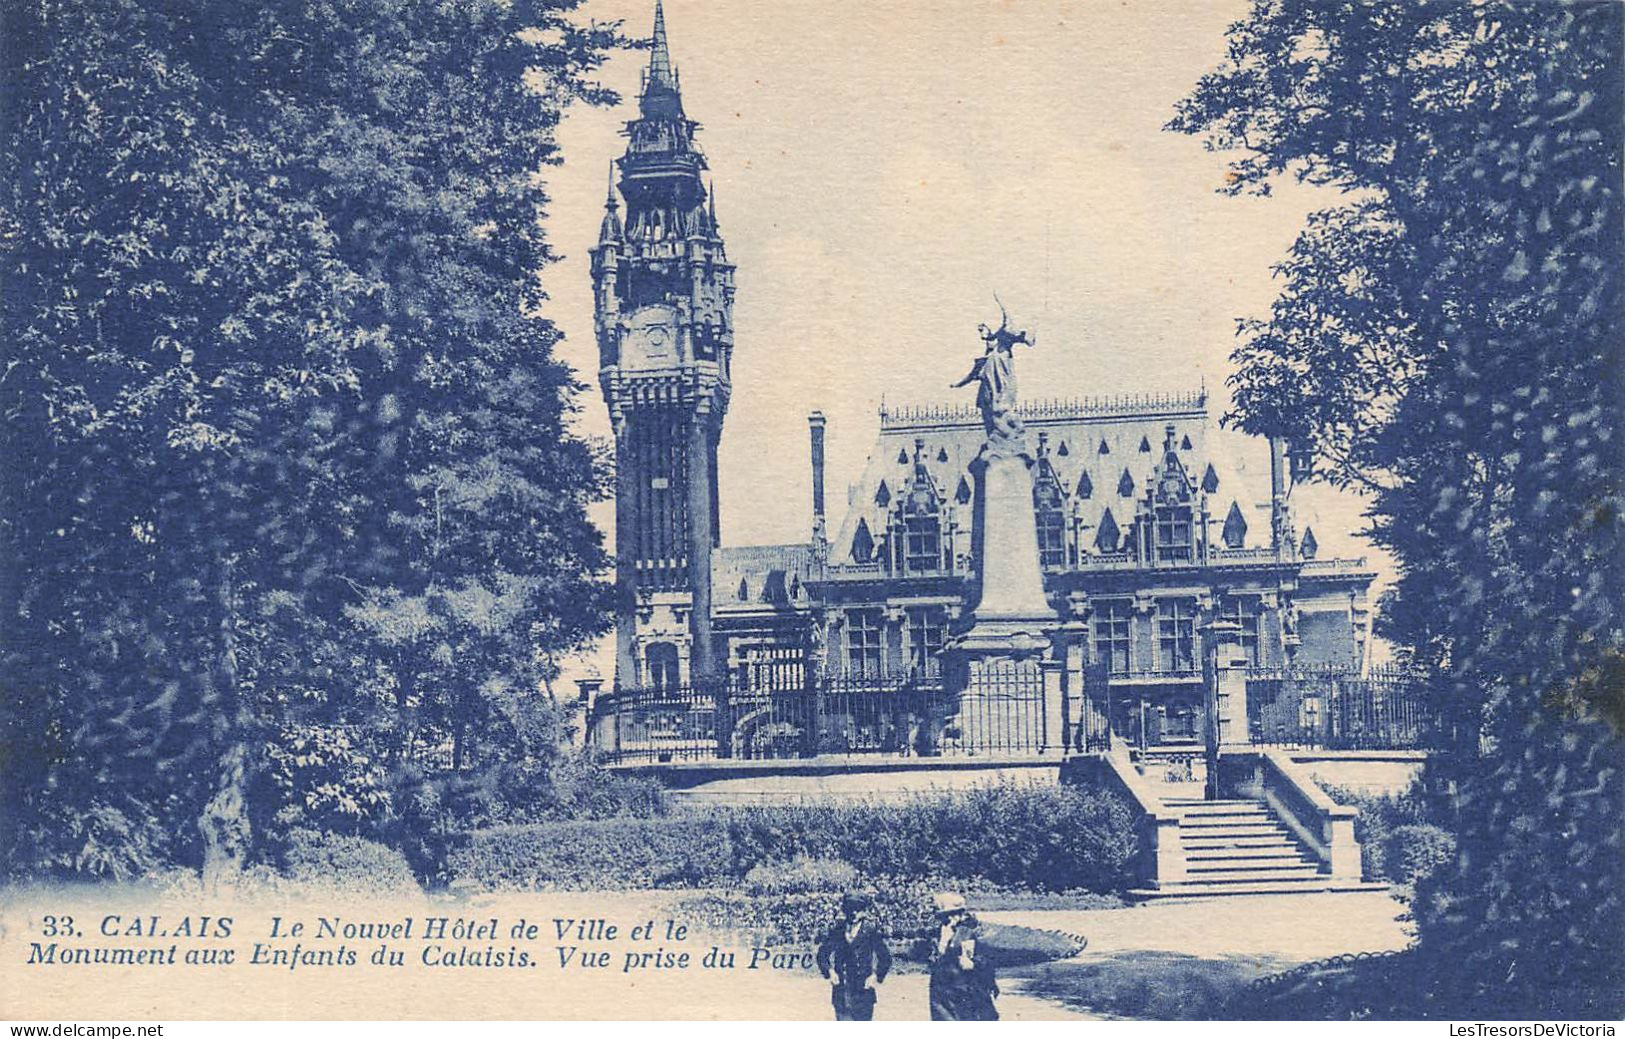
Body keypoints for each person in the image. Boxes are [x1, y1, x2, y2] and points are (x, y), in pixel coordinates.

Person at [815, 891, 893, 1021]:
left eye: (858, 909)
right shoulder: (838, 930)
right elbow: (822, 954)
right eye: (850, 908)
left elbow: (885, 958)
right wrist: (830, 972)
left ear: (864, 911)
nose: (854, 913)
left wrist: (875, 976)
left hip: (863, 992)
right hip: (842, 990)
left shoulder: (870, 930)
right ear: (845, 910)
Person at [925, 891, 999, 1021]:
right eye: (945, 916)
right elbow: (931, 961)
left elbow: (989, 959)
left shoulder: (972, 932)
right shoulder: (935, 935)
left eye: (955, 914)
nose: (950, 919)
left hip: (969, 990)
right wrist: (943, 943)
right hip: (943, 994)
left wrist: (974, 964)